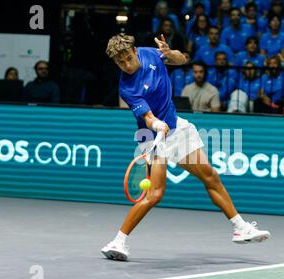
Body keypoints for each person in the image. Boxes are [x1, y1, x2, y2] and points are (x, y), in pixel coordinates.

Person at [102, 33, 270, 261]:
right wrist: (157, 124)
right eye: (120, 63)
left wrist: (170, 53)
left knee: (210, 176)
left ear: (134, 51)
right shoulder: (127, 87)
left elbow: (182, 60)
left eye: (128, 59)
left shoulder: (151, 52)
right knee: (155, 194)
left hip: (177, 129)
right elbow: (148, 118)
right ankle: (118, 241)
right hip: (153, 138)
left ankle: (241, 228)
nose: (126, 65)